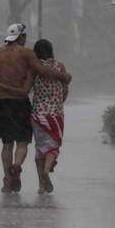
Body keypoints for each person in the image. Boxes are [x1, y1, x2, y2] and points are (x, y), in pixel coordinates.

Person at [0, 23, 71, 193]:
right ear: (21, 36)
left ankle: (7, 182)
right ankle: (17, 166)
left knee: (7, 144)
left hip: (1, 103)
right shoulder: (26, 53)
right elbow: (42, 71)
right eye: (25, 37)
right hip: (19, 103)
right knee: (22, 143)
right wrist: (63, 76)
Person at [29, 39, 68, 194]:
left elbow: (28, 87)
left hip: (38, 114)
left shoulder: (34, 68)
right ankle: (46, 170)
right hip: (55, 114)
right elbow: (65, 88)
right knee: (53, 146)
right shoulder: (59, 66)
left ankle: (41, 186)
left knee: (40, 149)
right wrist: (59, 101)